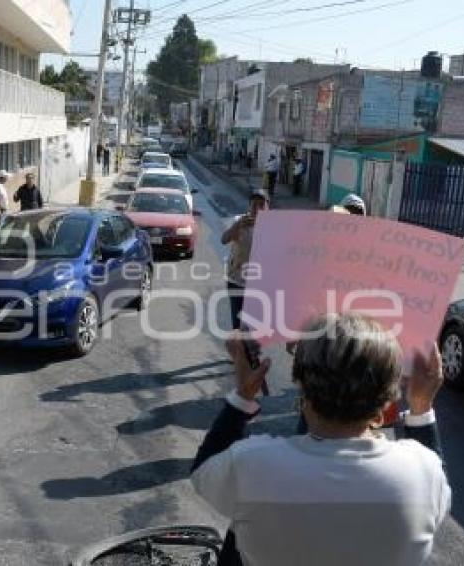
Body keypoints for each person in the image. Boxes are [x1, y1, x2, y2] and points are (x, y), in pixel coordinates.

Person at [192, 313, 450, 566]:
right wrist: (421, 406)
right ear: (387, 401)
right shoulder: (424, 471)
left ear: (302, 387)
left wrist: (243, 395)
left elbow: (203, 472)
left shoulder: (251, 463)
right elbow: (436, 487)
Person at [221, 189, 269, 330]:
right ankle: (240, 351)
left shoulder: (274, 226)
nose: (257, 209)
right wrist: (238, 226)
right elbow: (224, 239)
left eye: (261, 205)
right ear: (249, 207)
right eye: (254, 205)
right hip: (237, 282)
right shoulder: (239, 221)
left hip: (260, 286)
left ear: (268, 207)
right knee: (238, 326)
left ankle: (250, 351)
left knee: (256, 327)